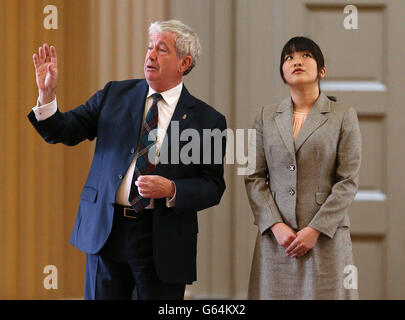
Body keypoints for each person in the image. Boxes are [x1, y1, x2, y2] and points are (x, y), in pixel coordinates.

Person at [28, 20, 226, 300]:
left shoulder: (207, 120)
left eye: (161, 49)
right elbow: (65, 130)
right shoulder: (114, 95)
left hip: (162, 240)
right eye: (149, 48)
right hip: (107, 232)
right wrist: (46, 95)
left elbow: (212, 186)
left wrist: (171, 190)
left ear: (184, 63)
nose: (150, 55)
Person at [244, 36, 361, 299]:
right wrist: (275, 224)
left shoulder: (343, 115)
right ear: (283, 73)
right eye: (289, 57)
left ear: (322, 70)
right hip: (277, 239)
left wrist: (315, 229)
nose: (297, 60)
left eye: (306, 55)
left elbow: (348, 181)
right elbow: (253, 177)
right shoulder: (264, 116)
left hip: (326, 237)